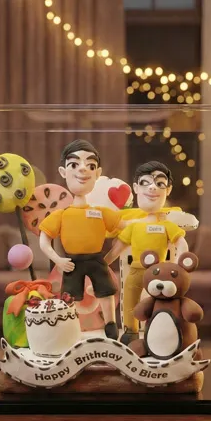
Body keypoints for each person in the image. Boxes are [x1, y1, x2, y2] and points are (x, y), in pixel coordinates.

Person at [39, 139, 124, 340]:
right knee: (71, 296)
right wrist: (58, 260)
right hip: (71, 262)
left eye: (91, 165)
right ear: (63, 172)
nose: (83, 169)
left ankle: (110, 324)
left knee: (106, 291)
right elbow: (44, 240)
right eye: (74, 164)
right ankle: (73, 326)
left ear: (98, 173)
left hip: (97, 259)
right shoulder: (61, 215)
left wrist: (109, 258)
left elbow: (126, 232)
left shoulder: (101, 212)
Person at [104, 161, 188, 346]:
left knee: (160, 303)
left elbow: (181, 243)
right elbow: (116, 250)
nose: (152, 187)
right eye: (145, 182)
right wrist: (101, 265)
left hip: (159, 273)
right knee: (129, 301)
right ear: (135, 188)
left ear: (168, 190)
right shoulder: (133, 226)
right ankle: (131, 331)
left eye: (160, 183)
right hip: (135, 270)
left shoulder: (167, 225)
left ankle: (157, 332)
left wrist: (178, 266)